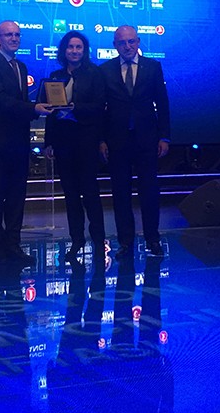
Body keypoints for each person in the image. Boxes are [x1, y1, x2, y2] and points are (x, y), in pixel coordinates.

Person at [0, 21, 53, 265]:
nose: (14, 38)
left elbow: (17, 104)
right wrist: (34, 108)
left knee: (17, 197)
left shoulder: (20, 66)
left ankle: (14, 244)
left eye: (17, 34)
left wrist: (34, 108)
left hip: (18, 142)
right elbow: (1, 101)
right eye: (8, 34)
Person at [99, 25, 170, 258]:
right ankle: (125, 243)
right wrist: (101, 139)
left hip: (147, 140)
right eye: (122, 42)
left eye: (131, 41)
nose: (127, 46)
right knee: (120, 194)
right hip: (117, 141)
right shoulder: (105, 70)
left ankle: (153, 239)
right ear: (115, 45)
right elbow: (101, 109)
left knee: (149, 191)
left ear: (138, 42)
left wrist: (164, 136)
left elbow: (163, 104)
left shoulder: (153, 67)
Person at [44, 31, 106, 263]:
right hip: (63, 143)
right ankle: (76, 240)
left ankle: (98, 241)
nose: (74, 51)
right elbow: (50, 113)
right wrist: (48, 142)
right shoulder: (55, 76)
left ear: (84, 50)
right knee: (70, 195)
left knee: (90, 194)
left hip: (86, 141)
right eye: (70, 47)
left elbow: (99, 107)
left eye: (79, 47)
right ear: (64, 50)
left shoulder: (95, 74)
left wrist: (74, 108)